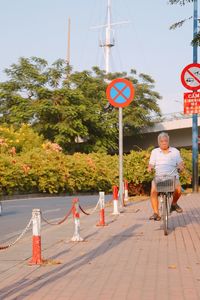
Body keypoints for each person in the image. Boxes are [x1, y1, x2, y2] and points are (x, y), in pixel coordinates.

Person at [148, 132, 184, 221]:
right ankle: (156, 213)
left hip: (173, 176)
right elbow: (151, 164)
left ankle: (174, 204)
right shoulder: (155, 152)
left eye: (165, 141)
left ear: (168, 141)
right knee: (153, 191)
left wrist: (181, 167)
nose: (164, 142)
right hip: (159, 177)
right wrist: (150, 168)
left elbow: (180, 163)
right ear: (158, 142)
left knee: (178, 190)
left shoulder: (175, 151)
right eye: (162, 141)